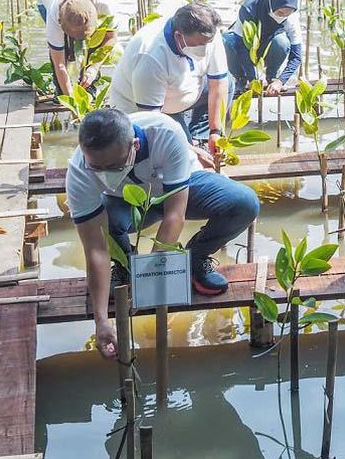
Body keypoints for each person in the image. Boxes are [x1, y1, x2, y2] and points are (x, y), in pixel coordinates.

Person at [66, 109, 259, 359]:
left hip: (180, 189)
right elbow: (95, 248)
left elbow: (174, 216)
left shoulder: (165, 133)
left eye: (112, 167)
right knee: (102, 222)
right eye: (96, 167)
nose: (103, 173)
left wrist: (149, 279)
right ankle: (125, 267)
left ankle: (194, 258)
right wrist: (101, 320)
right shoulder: (79, 170)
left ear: (134, 146)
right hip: (125, 202)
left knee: (244, 203)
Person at [109, 2, 228, 162]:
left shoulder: (208, 33)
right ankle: (192, 145)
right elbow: (152, 123)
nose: (206, 49)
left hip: (181, 89)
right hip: (144, 108)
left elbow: (218, 84)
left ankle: (199, 138)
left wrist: (215, 132)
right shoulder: (150, 56)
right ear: (178, 36)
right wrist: (192, 152)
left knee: (229, 83)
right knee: (179, 159)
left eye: (208, 43)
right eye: (200, 45)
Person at [35, 0, 118, 94]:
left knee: (95, 43)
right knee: (63, 49)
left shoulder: (105, 5)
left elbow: (111, 38)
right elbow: (60, 65)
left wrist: (94, 68)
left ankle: (88, 87)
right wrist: (70, 101)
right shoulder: (54, 15)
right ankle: (60, 90)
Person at [223, 0, 303, 99]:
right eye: (280, 13)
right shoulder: (248, 9)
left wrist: (281, 81)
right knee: (226, 41)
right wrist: (252, 79)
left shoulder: (291, 17)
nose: (283, 16)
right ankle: (241, 79)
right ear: (273, 5)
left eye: (287, 14)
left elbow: (297, 56)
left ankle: (272, 77)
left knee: (282, 42)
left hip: (270, 46)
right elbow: (240, 46)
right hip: (248, 45)